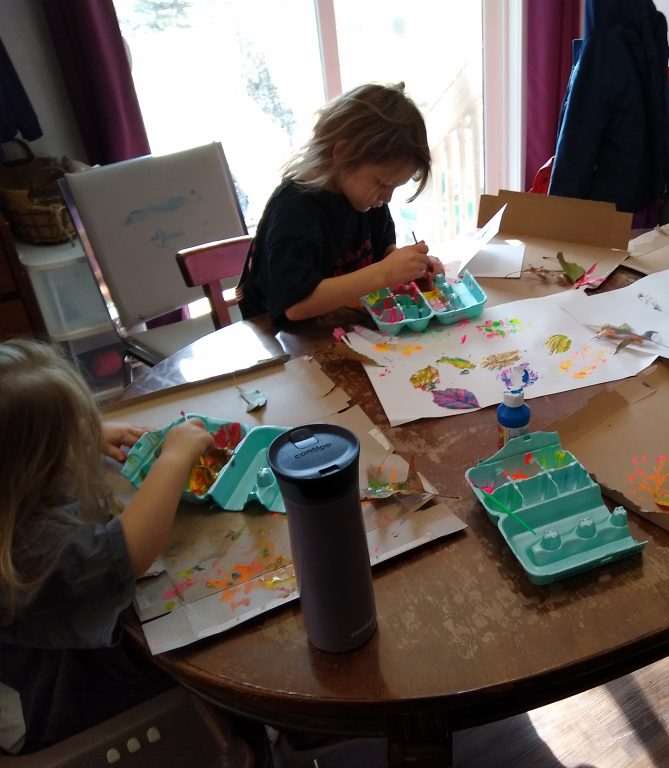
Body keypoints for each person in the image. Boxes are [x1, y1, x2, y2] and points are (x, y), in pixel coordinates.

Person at [0, 339, 214, 754]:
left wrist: (86, 433)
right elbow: (130, 550)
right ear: (32, 464)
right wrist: (175, 457)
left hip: (37, 666)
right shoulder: (29, 553)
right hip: (72, 701)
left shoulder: (9, 495)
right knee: (209, 652)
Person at [237, 82, 443, 326]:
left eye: (395, 187)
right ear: (343, 154)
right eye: (383, 183)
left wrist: (410, 269)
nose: (387, 198)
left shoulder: (367, 199)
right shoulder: (293, 209)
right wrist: (386, 273)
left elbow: (381, 254)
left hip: (336, 326)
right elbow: (296, 305)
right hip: (278, 341)